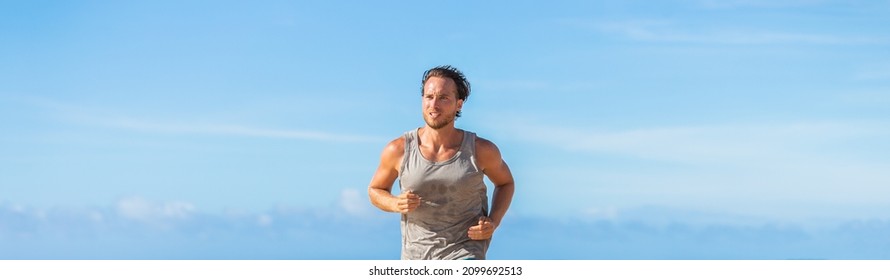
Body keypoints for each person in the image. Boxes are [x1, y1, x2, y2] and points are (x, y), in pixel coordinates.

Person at [367, 65, 515, 260]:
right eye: (429, 97)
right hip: (416, 256)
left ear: (459, 104)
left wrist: (493, 223)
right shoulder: (399, 149)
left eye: (443, 98)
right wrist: (395, 203)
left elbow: (505, 183)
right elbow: (375, 190)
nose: (434, 105)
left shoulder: (480, 150)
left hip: (465, 252)